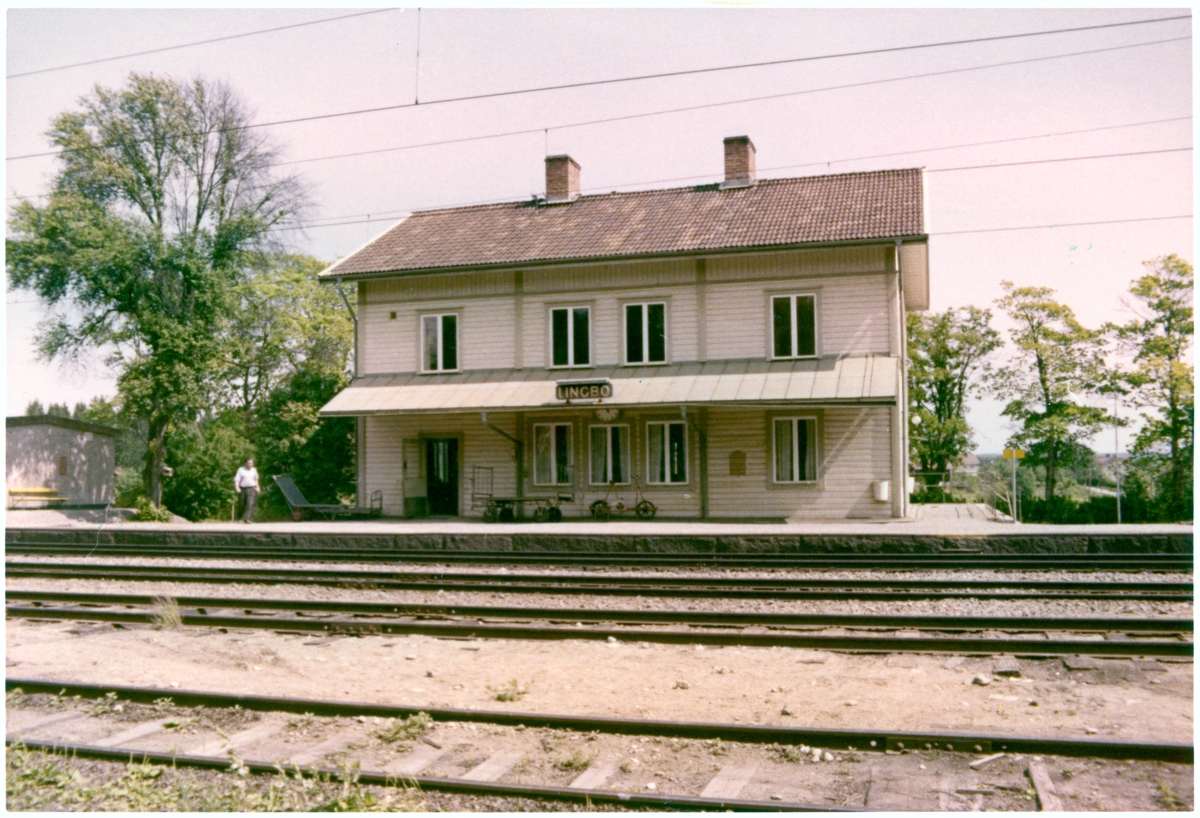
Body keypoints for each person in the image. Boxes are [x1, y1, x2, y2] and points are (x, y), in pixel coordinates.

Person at [234, 458, 259, 523]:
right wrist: (237, 488)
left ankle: (247, 519)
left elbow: (256, 479)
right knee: (241, 504)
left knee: (250, 503)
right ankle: (239, 518)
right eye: (249, 463)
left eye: (251, 463)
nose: (250, 465)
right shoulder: (241, 470)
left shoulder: (254, 470)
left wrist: (257, 487)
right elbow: (237, 480)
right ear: (246, 463)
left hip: (252, 488)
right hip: (243, 489)